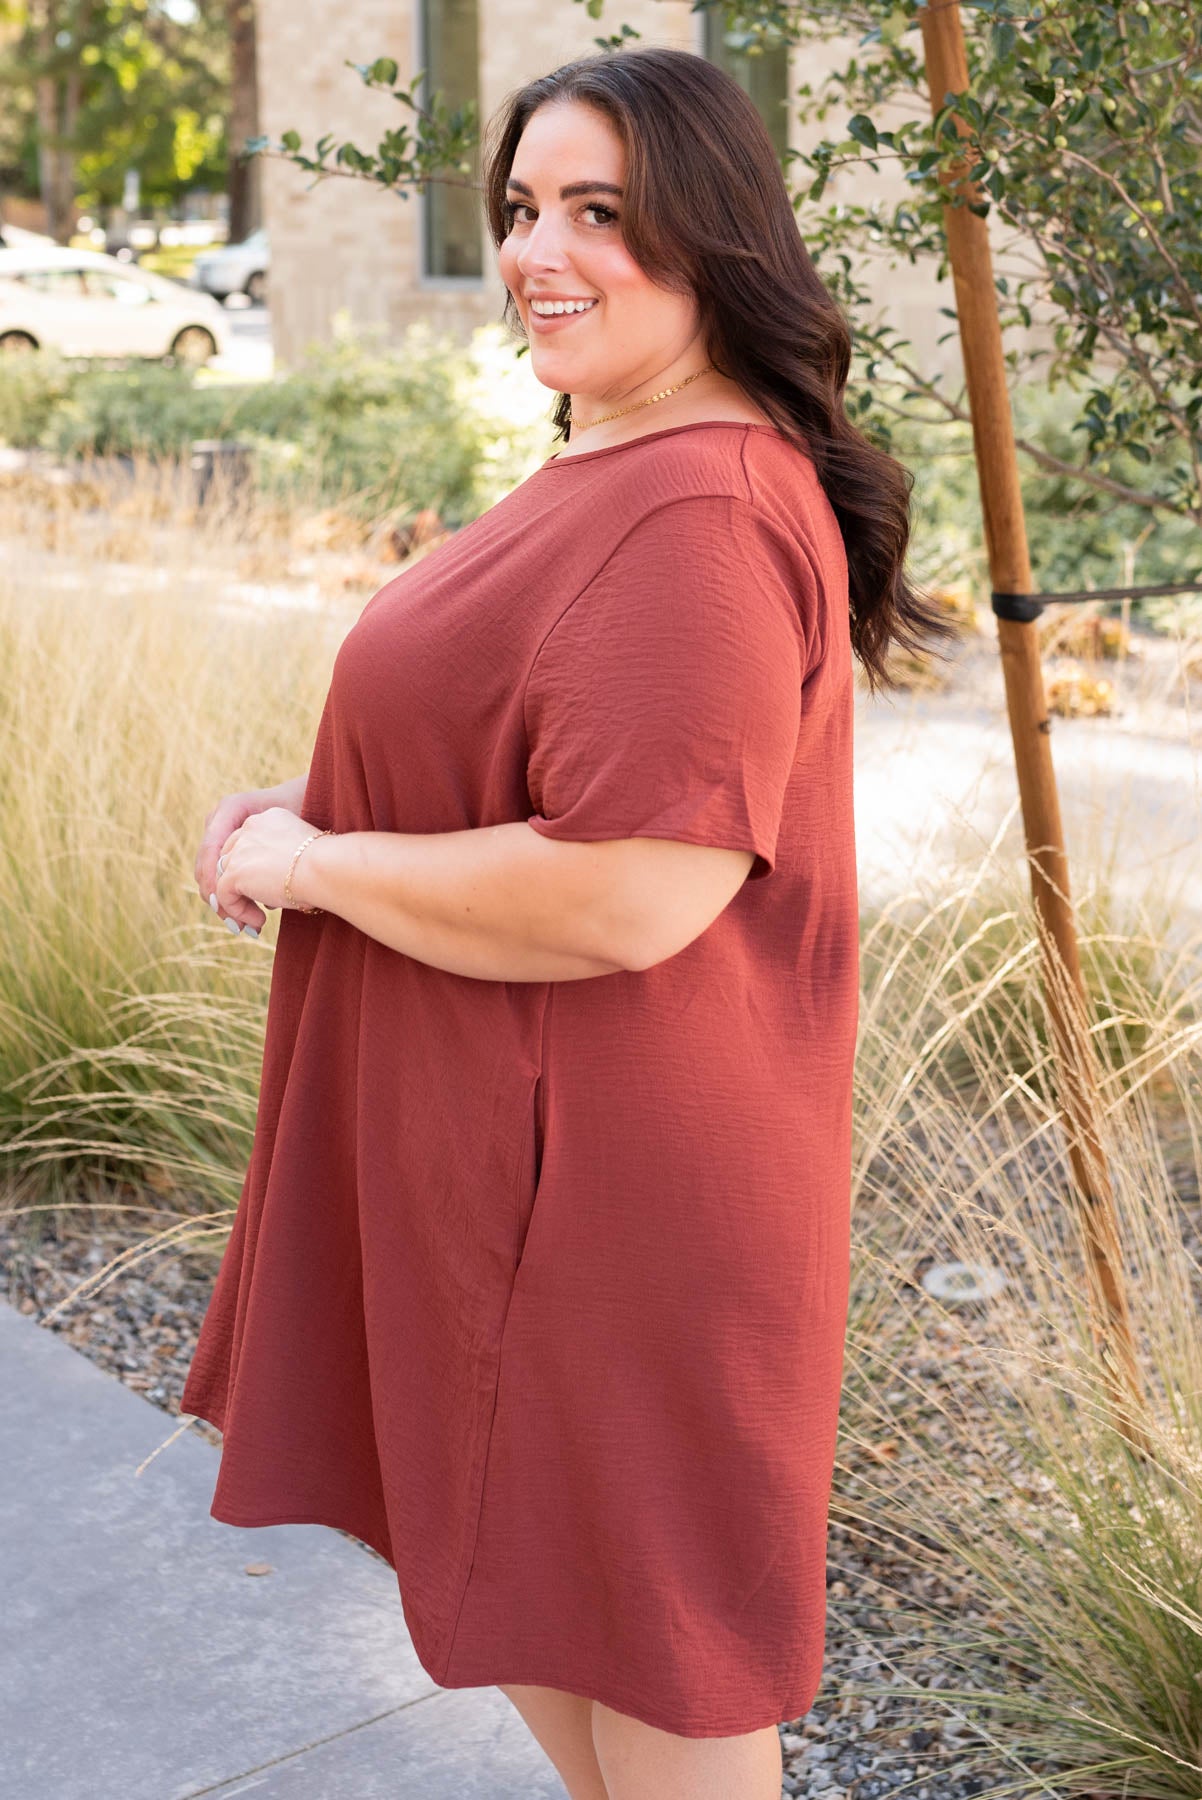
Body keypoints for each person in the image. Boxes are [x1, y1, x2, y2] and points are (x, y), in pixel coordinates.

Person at [181, 44, 956, 1800]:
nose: (543, 250)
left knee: (652, 1660)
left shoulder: (693, 507)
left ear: (713, 238)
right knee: (548, 1623)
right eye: (523, 207)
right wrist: (304, 828)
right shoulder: (633, 461)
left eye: (601, 212)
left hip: (604, 1209)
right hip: (526, 1171)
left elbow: (627, 887)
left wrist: (315, 867)